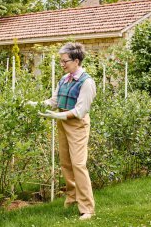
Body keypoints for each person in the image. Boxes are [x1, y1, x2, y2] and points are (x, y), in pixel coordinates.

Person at [27, 42, 96, 220]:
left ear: (77, 60)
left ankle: (87, 208)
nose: (62, 64)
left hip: (77, 125)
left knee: (78, 165)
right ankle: (72, 198)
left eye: (65, 61)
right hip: (63, 122)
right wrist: (35, 105)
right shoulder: (64, 79)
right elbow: (54, 101)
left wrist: (58, 116)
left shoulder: (86, 82)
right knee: (65, 163)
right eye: (61, 61)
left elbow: (80, 110)